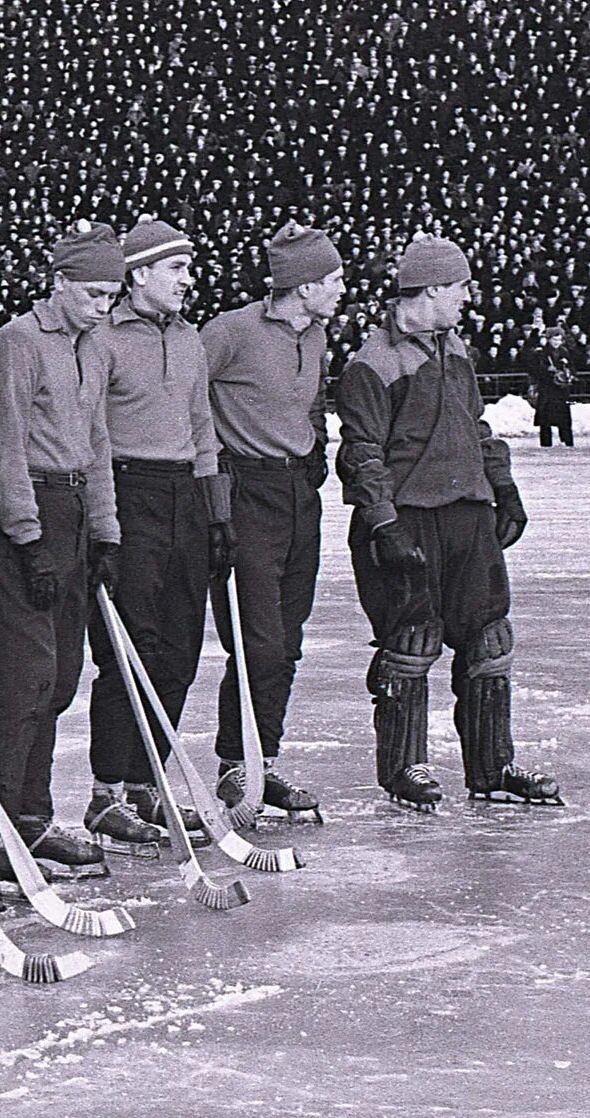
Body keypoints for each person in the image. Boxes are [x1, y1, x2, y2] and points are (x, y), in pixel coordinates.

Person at [334, 233, 561, 809]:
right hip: (407, 521)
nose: (468, 296)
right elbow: (361, 451)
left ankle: (493, 767)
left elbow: (474, 424)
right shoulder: (374, 362)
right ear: (431, 289)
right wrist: (383, 525)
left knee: (489, 639)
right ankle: (404, 768)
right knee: (411, 642)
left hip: (468, 517)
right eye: (460, 286)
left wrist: (502, 485)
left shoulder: (455, 349)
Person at [0, 221, 122, 885]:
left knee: (60, 679)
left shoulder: (95, 342)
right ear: (58, 283)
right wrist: (26, 536)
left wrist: (107, 529)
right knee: (24, 678)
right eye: (91, 292)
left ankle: (31, 814)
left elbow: (98, 439)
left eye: (113, 294)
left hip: (76, 509)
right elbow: (2, 444)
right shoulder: (19, 341)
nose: (103, 305)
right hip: (30, 511)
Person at [81, 216, 221, 854]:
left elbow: (203, 428)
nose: (189, 281)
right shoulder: (103, 339)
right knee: (127, 650)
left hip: (183, 497)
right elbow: (92, 435)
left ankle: (146, 781)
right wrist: (103, 525)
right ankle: (108, 790)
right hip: (126, 490)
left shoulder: (190, 340)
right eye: (178, 269)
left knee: (178, 649)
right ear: (138, 275)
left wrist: (216, 514)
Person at [202, 222, 342, 822]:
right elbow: (184, 396)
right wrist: (214, 485)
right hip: (244, 491)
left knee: (286, 640)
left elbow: (309, 400)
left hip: (296, 494)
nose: (342, 289)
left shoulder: (316, 336)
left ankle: (266, 758)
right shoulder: (229, 332)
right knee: (256, 638)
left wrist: (316, 448)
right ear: (303, 285)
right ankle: (238, 763)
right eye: (333, 279)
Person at [527, 325, 576, 447]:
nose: (557, 343)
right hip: (547, 390)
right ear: (549, 339)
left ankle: (567, 442)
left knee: (564, 418)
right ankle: (546, 444)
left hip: (561, 391)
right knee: (545, 419)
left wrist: (568, 373)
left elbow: (573, 368)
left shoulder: (565, 352)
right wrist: (546, 370)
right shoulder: (541, 353)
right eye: (554, 340)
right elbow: (533, 370)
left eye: (559, 340)